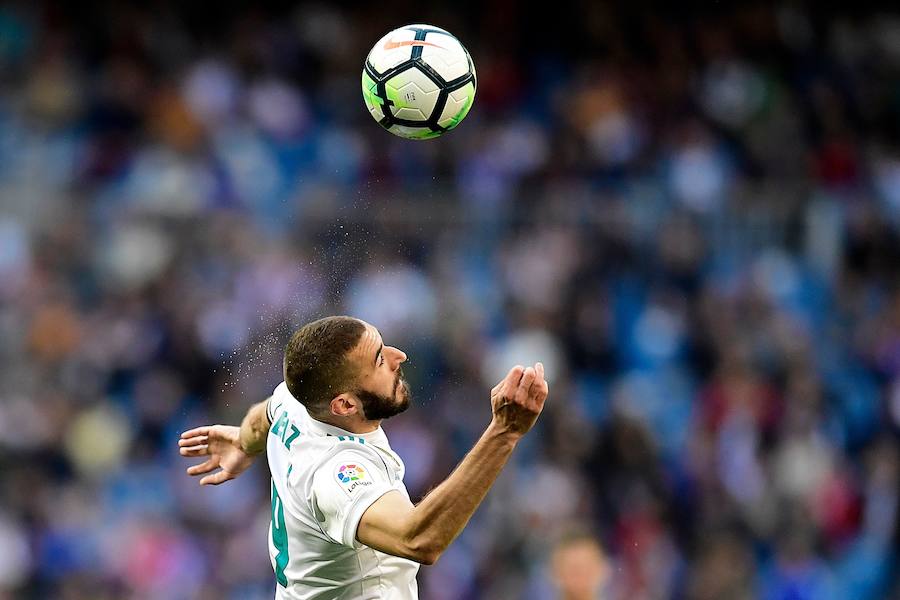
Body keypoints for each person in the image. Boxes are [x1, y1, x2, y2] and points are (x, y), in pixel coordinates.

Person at [179, 315, 549, 599]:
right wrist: (504, 432)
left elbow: (265, 416)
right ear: (345, 404)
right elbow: (418, 539)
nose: (397, 356)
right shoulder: (335, 474)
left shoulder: (298, 402)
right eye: (379, 360)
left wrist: (244, 443)